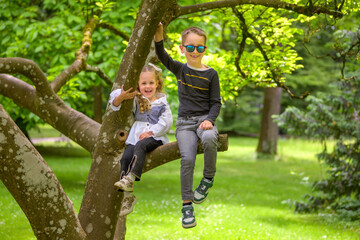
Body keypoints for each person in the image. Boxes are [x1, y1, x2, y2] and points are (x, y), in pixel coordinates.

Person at [154, 24, 222, 228]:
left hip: (204, 120)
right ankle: (187, 206)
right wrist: (159, 37)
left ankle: (208, 178)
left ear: (204, 50)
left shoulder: (211, 75)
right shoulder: (180, 69)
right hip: (184, 124)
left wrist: (209, 120)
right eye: (190, 47)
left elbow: (216, 102)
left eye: (199, 48)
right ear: (182, 49)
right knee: (188, 159)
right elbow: (161, 55)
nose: (194, 51)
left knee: (210, 138)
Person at [109, 63, 173, 216]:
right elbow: (115, 102)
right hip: (136, 136)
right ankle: (128, 197)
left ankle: (131, 177)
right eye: (144, 83)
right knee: (125, 158)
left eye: (151, 82)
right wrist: (122, 96)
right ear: (138, 84)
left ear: (157, 84)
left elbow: (167, 122)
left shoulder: (162, 102)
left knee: (142, 146)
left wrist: (152, 131)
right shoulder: (137, 100)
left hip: (155, 138)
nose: (148, 86)